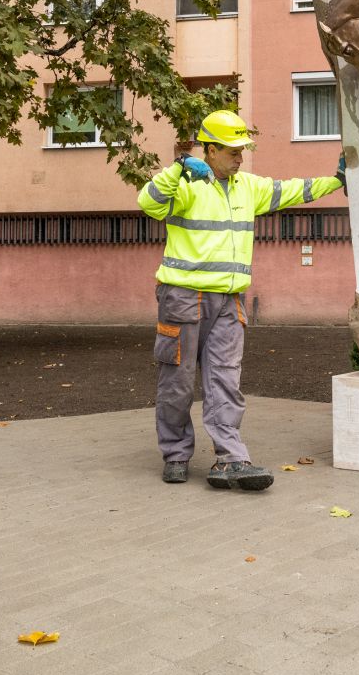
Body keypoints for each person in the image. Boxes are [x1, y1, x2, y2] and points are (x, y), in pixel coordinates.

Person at [138, 110, 344, 490]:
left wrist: (336, 180)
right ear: (211, 150)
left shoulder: (249, 187)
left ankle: (230, 459)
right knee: (177, 382)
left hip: (230, 299)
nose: (240, 156)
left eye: (243, 149)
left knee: (225, 379)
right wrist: (180, 168)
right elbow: (148, 202)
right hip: (185, 296)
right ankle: (176, 454)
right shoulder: (188, 186)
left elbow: (292, 190)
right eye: (233, 150)